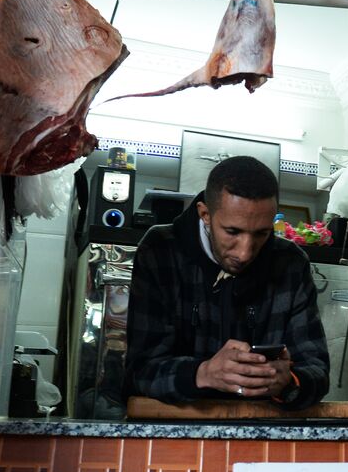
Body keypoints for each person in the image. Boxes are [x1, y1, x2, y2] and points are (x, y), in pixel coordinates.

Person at [122, 155, 329, 409]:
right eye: (233, 232)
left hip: (266, 435)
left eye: (261, 233)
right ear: (205, 214)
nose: (245, 253)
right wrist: (203, 373)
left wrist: (289, 381)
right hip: (175, 435)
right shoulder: (160, 250)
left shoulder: (291, 263)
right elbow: (139, 371)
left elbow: (318, 370)